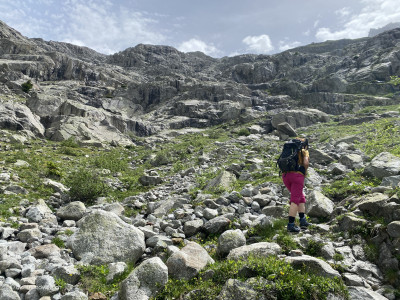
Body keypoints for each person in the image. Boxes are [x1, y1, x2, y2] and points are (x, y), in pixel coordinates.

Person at [282, 138, 310, 233]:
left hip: (285, 176)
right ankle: (291, 225)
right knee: (295, 200)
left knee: (300, 196)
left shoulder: (289, 150)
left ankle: (303, 220)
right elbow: (306, 163)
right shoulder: (303, 151)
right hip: (297, 176)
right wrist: (305, 172)